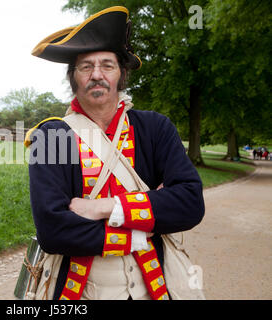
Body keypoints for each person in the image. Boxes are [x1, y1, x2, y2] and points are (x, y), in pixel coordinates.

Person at [25, 6, 204, 300]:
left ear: (121, 74)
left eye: (107, 65)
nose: (97, 74)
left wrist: (103, 208)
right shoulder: (50, 136)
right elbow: (53, 230)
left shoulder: (156, 128)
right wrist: (141, 230)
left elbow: (190, 204)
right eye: (86, 66)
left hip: (152, 290)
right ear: (73, 77)